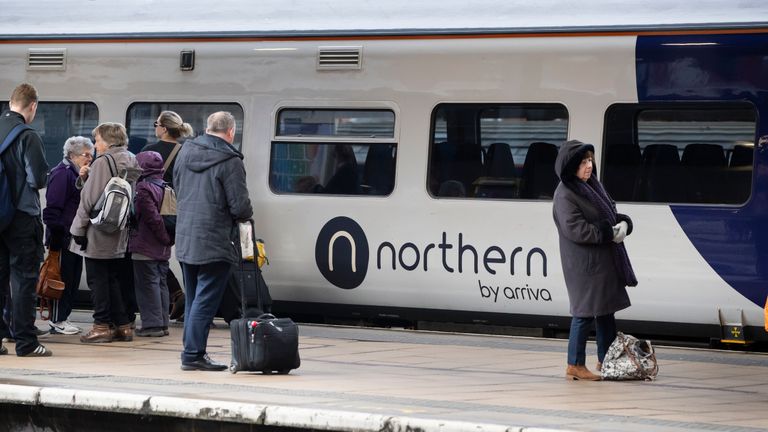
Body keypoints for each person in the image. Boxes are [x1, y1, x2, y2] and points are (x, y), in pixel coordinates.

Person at [552, 140, 637, 381]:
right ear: (570, 167)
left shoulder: (592, 186)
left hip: (601, 262)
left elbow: (607, 213)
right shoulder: (565, 194)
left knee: (605, 311)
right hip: (584, 265)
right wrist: (607, 232)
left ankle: (606, 358)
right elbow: (576, 230)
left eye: (590, 160)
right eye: (582, 162)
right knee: (584, 313)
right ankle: (575, 364)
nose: (588, 166)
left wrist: (623, 222)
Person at [174, 111, 252, 371]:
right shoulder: (230, 160)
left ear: (207, 128)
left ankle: (190, 352)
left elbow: (177, 187)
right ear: (231, 132)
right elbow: (240, 207)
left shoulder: (184, 152)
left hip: (186, 238)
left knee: (195, 298)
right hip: (214, 240)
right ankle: (193, 354)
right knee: (205, 301)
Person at [70, 122, 141, 344]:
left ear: (108, 140)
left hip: (98, 229)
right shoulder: (130, 158)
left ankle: (101, 326)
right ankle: (123, 326)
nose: (95, 145)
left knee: (97, 280)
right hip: (119, 227)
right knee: (112, 279)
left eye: (98, 140)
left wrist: (78, 229)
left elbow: (89, 200)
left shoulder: (104, 161)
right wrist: (87, 177)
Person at [0, 83, 50, 357]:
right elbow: (38, 178)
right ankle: (26, 343)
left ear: (10, 103)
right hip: (21, 216)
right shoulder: (28, 135)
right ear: (33, 106)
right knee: (23, 279)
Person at [43, 136, 94, 335]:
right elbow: (52, 210)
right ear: (73, 155)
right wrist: (58, 237)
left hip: (73, 237)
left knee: (71, 279)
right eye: (86, 155)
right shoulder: (62, 174)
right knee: (60, 280)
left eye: (91, 154)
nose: (90, 158)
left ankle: (63, 317)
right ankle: (57, 320)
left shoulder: (76, 174)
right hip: (63, 238)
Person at [129, 151, 172, 337]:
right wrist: (167, 239)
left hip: (146, 245)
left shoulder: (144, 189)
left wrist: (162, 235)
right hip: (163, 247)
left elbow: (151, 217)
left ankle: (152, 325)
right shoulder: (166, 187)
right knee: (161, 284)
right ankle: (162, 323)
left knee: (147, 285)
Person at [142, 111, 193, 187]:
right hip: (174, 197)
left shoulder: (148, 151)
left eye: (156, 124)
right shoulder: (185, 152)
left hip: (151, 196)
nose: (155, 127)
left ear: (164, 129)